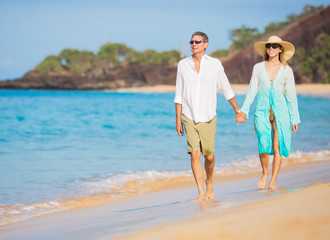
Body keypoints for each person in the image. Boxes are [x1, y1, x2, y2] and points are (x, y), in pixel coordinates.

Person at [174, 31, 241, 202]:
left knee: (209, 157)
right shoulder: (183, 64)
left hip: (208, 116)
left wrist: (237, 110)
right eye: (191, 42)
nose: (194, 44)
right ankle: (200, 192)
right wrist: (178, 120)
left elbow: (226, 88)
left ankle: (209, 181)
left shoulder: (215, 64)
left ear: (205, 44)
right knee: (195, 154)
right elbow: (179, 94)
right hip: (189, 116)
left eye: (197, 41)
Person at [237, 36, 301, 190]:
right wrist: (243, 111)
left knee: (278, 146)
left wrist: (294, 118)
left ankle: (273, 180)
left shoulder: (287, 70)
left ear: (280, 49)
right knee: (264, 146)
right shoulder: (258, 68)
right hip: (261, 111)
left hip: (281, 112)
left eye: (274, 46)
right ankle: (265, 172)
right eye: (268, 46)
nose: (271, 48)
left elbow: (291, 95)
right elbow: (252, 91)